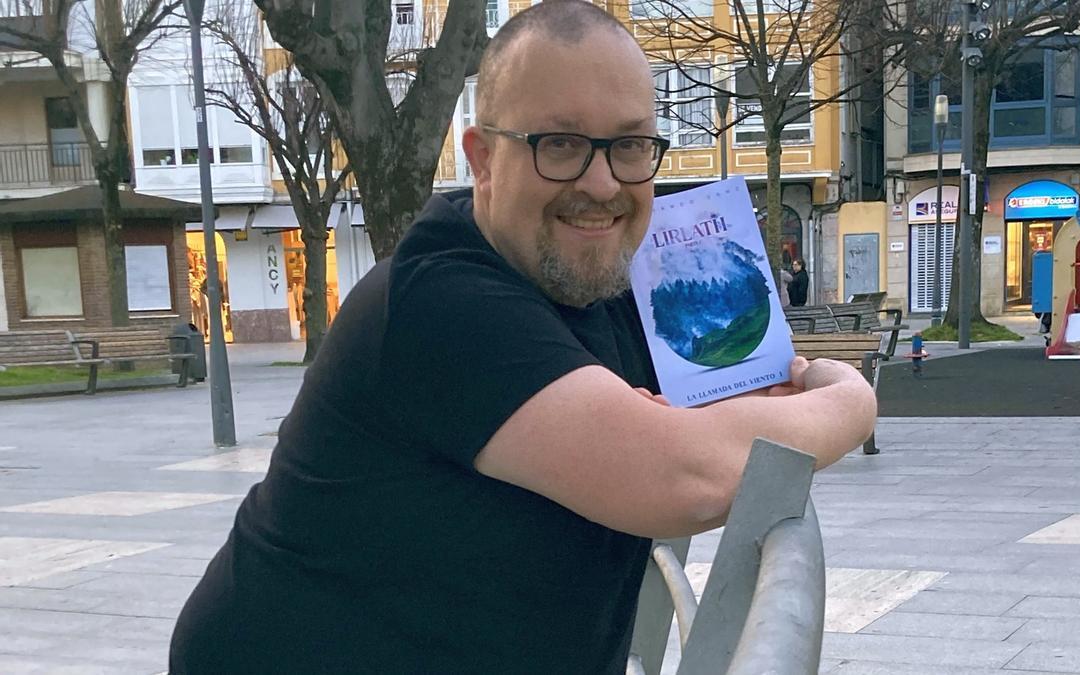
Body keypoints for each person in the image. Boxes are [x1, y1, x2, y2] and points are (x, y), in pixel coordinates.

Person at [168, 2, 877, 673]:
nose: (602, 182)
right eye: (560, 144)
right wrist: (850, 395)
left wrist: (699, 425)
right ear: (480, 158)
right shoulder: (436, 302)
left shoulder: (603, 281)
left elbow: (729, 420)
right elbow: (683, 476)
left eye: (630, 144)